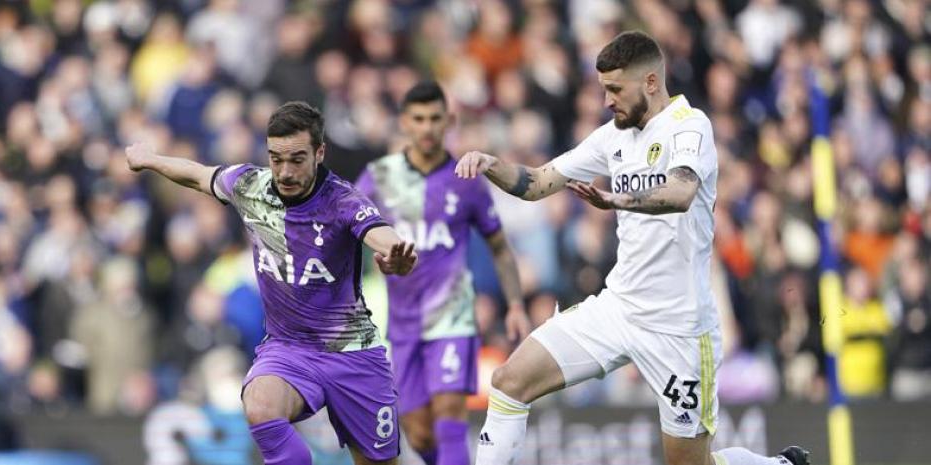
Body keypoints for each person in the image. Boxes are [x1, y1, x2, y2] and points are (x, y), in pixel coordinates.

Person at [456, 31, 811, 465]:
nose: (607, 100)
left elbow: (681, 191)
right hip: (618, 309)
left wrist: (616, 200)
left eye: (614, 89)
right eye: (603, 89)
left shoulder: (690, 126)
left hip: (679, 326)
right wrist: (492, 164)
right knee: (510, 381)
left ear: (649, 82)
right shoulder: (613, 137)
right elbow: (538, 182)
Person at [125, 101, 416, 465]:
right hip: (289, 349)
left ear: (319, 152)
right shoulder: (250, 186)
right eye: (276, 158)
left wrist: (397, 255)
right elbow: (198, 175)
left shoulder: (342, 201)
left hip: (352, 354)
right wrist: (151, 160)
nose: (284, 170)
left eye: (297, 159)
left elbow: (378, 232)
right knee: (260, 405)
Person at [356, 82, 531, 465]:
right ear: (404, 122)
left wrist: (515, 304)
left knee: (449, 414)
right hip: (401, 323)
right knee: (417, 429)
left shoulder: (466, 180)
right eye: (418, 119)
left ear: (449, 121)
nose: (427, 128)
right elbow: (348, 234)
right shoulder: (377, 178)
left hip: (453, 315)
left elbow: (499, 247)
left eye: (436, 118)